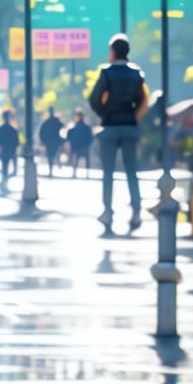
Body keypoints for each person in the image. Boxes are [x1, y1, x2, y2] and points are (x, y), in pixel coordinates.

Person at [88, 33, 149, 235]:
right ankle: (137, 211)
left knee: (108, 172)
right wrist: (133, 115)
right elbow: (142, 100)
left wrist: (105, 113)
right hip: (130, 126)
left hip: (110, 126)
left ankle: (108, 211)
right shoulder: (137, 74)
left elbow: (94, 98)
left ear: (113, 51)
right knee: (132, 170)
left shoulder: (106, 72)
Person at [0, 108, 19, 190]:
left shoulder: (1, 129)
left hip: (5, 151)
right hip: (9, 151)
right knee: (6, 166)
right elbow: (16, 142)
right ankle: (5, 180)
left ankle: (4, 180)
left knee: (5, 166)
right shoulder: (12, 130)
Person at [66, 108, 93, 177]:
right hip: (81, 147)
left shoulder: (84, 128)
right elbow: (90, 139)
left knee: (76, 158)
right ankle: (84, 173)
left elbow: (69, 137)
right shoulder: (87, 128)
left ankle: (76, 173)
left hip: (78, 147)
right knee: (79, 158)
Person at [38, 107, 64, 176]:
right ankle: (52, 168)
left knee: (51, 155)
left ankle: (52, 168)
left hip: (50, 141)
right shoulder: (54, 121)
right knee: (52, 155)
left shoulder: (47, 122)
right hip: (53, 141)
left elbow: (41, 132)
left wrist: (43, 140)